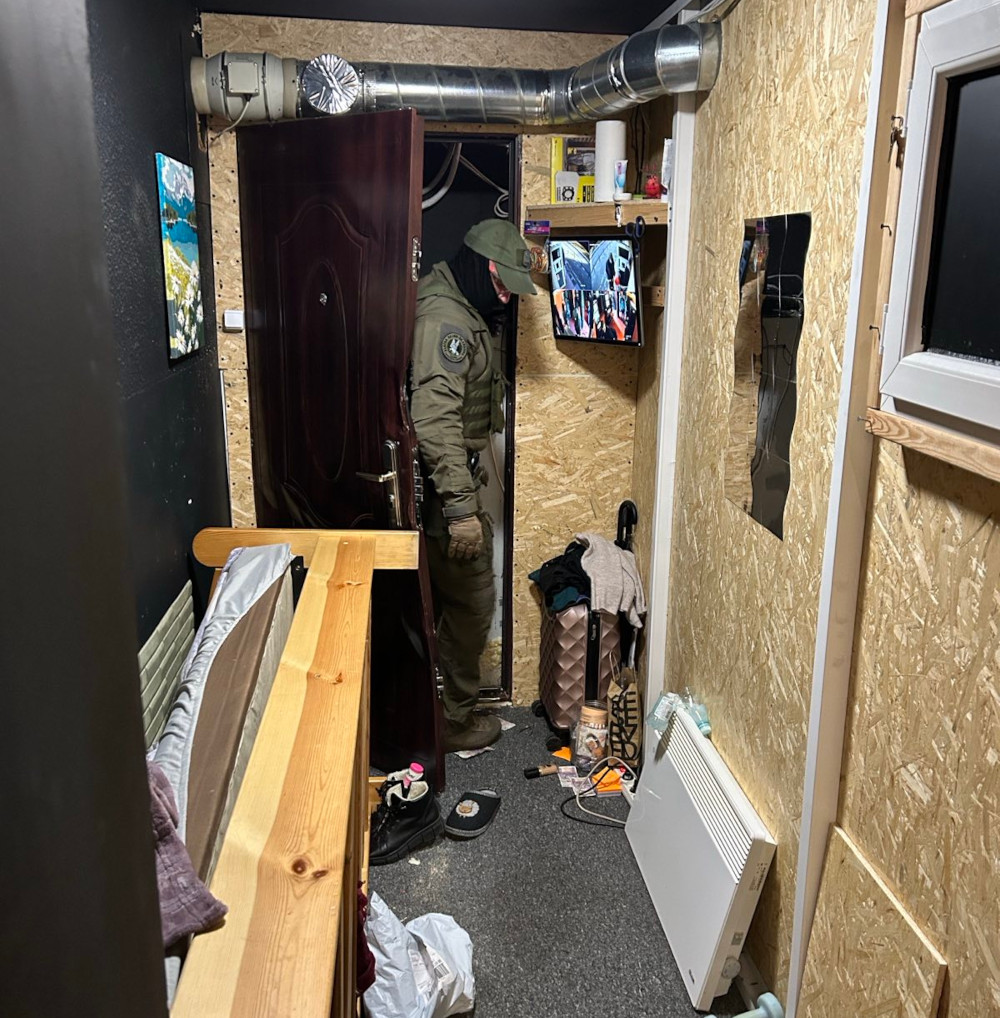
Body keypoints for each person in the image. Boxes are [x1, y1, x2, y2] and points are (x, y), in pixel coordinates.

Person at [409, 219, 535, 752]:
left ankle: (430, 714)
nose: (506, 297)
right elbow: (435, 422)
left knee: (445, 607)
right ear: (481, 267)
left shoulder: (460, 305)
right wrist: (462, 511)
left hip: (447, 486)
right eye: (502, 283)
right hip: (442, 497)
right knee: (473, 604)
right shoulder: (446, 321)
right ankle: (453, 723)